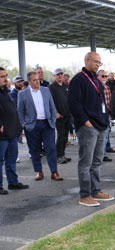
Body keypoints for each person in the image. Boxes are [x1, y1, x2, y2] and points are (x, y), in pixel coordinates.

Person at [68, 52, 114, 207]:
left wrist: (105, 119)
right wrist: (86, 122)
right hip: (88, 127)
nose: (98, 65)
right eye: (96, 62)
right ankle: (85, 195)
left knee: (97, 161)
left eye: (100, 63)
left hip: (101, 125)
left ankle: (95, 190)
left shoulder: (96, 79)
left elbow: (102, 102)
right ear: (86, 60)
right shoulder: (78, 80)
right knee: (85, 162)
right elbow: (74, 104)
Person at [17, 71, 63, 181]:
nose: (37, 82)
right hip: (32, 125)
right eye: (34, 80)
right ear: (28, 81)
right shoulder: (22, 94)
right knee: (34, 150)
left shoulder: (46, 90)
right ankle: (39, 171)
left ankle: (54, 172)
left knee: (51, 148)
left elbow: (52, 106)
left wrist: (52, 120)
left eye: (38, 79)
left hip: (47, 124)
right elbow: (20, 110)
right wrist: (24, 124)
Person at [0, 67, 29, 195]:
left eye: (5, 76)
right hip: (2, 134)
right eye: (2, 76)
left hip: (12, 132)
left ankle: (13, 182)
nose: (5, 78)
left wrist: (18, 128)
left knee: (11, 159)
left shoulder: (6, 92)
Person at [49, 68, 72, 164]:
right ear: (54, 76)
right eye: (57, 74)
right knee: (60, 136)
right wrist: (55, 113)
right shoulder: (51, 87)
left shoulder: (66, 86)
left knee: (66, 137)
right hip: (59, 116)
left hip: (68, 115)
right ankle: (58, 156)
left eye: (61, 74)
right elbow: (50, 102)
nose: (60, 76)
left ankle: (63, 154)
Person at [97, 69, 115, 162]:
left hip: (105, 115)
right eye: (102, 76)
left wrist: (109, 114)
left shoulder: (107, 88)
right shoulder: (94, 87)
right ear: (97, 77)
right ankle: (99, 154)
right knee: (99, 137)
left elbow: (109, 103)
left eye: (105, 76)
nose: (104, 78)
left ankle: (103, 154)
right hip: (96, 115)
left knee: (105, 136)